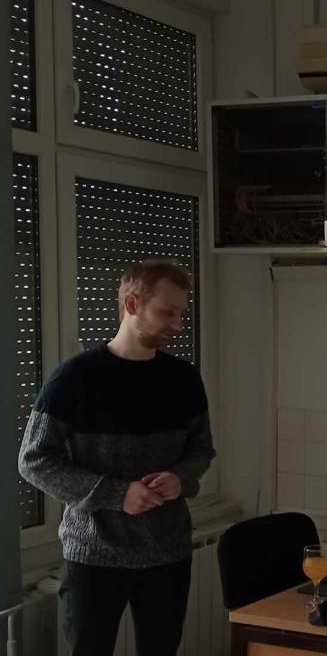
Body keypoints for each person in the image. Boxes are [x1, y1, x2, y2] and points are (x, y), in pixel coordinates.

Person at [18, 260, 216, 656]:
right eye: (167, 312)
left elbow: (201, 449)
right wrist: (116, 494)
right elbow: (34, 460)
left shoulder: (184, 380)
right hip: (92, 555)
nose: (178, 325)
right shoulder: (73, 379)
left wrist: (180, 477)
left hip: (168, 553)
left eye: (181, 313)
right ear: (131, 304)